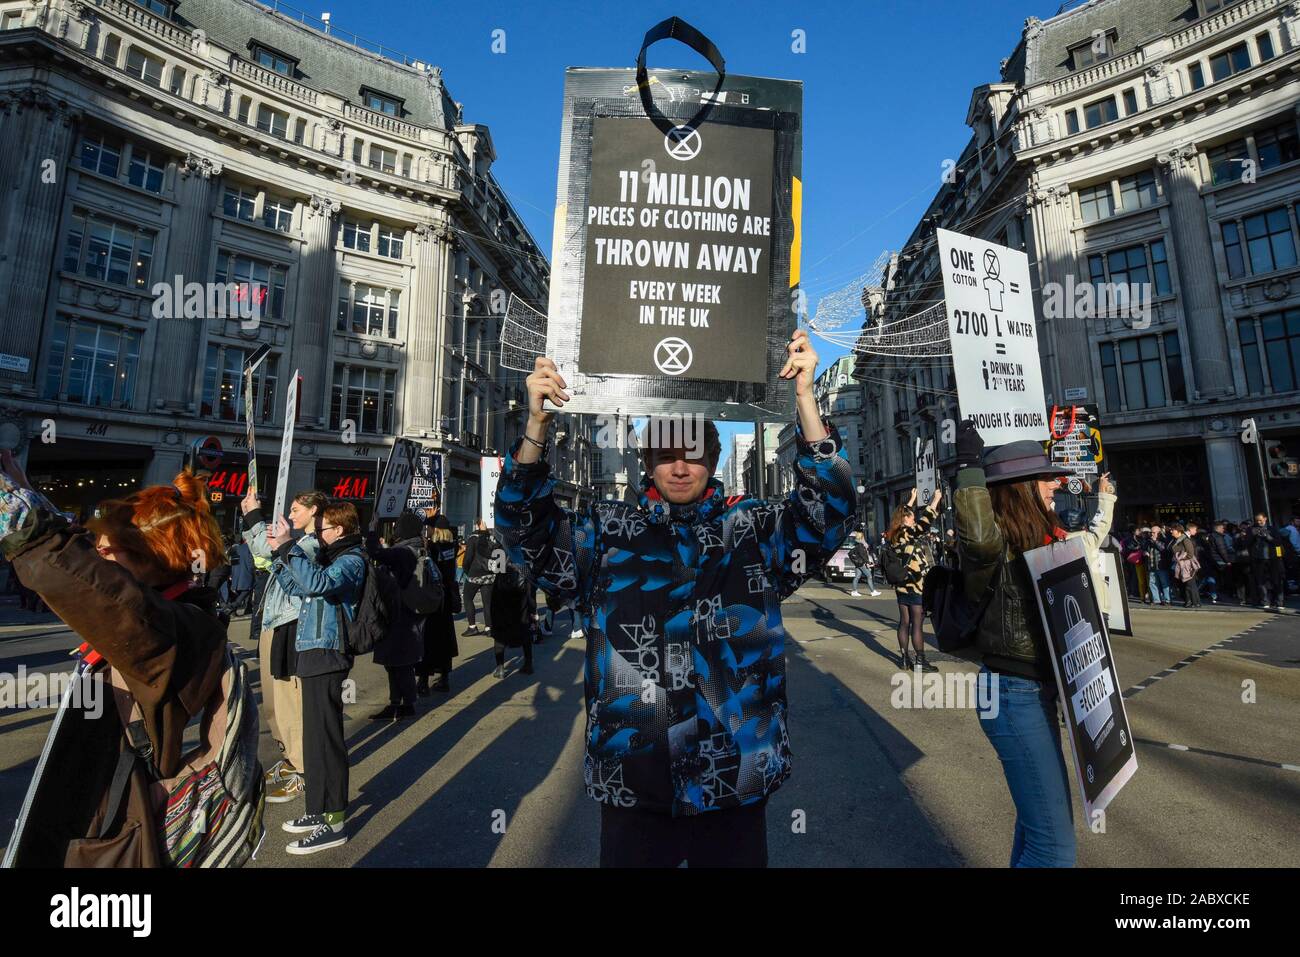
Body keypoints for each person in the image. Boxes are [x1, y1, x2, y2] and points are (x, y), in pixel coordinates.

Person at [495, 329, 854, 867]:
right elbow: (523, 533)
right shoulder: (606, 532)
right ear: (647, 462)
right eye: (666, 455)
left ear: (711, 458)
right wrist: (537, 427)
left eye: (693, 454)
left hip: (733, 779)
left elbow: (829, 511)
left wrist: (804, 398)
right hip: (634, 781)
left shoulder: (753, 529)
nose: (680, 468)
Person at [0, 454, 259, 867]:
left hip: (110, 822)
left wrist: (12, 506)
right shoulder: (172, 607)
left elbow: (84, 579)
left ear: (157, 555)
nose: (98, 548)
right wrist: (23, 489)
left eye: (110, 545)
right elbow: (86, 560)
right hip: (106, 809)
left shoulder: (165, 627)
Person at [952, 421, 1076, 868]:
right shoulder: (995, 541)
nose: (1056, 483)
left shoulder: (1039, 537)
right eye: (1046, 477)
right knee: (1054, 852)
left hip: (1036, 691)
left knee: (1038, 829)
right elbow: (978, 540)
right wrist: (968, 466)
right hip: (1011, 693)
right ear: (1021, 486)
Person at [267, 499, 365, 854]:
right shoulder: (329, 558)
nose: (316, 533)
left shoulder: (351, 560)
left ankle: (335, 821)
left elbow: (320, 585)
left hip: (329, 651)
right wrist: (280, 557)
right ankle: (318, 810)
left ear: (338, 530)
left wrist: (291, 548)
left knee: (327, 739)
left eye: (320, 528)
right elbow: (298, 588)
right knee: (313, 739)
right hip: (311, 650)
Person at [242, 487, 326, 803]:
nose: (290, 515)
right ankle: (290, 757)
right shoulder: (297, 542)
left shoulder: (313, 544)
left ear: (314, 510)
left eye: (295, 509)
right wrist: (254, 522)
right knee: (274, 701)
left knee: (291, 701)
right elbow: (263, 557)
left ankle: (304, 768)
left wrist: (254, 516)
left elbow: (275, 555)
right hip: (273, 623)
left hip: (292, 627)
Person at [365, 510, 435, 719]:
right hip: (411, 611)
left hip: (398, 614)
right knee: (401, 661)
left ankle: (401, 703)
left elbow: (374, 552)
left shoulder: (402, 552)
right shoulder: (418, 548)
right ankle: (402, 702)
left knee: (397, 662)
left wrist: (372, 529)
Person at [884, 487, 942, 673]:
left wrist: (911, 500)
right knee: (917, 623)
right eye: (910, 517)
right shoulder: (908, 533)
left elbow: (903, 515)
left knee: (904, 622)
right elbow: (925, 522)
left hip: (901, 585)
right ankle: (920, 661)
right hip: (916, 584)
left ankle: (903, 659)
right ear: (904, 520)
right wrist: (935, 500)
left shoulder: (893, 535)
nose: (913, 519)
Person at [1063, 473, 1116, 618]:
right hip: (1096, 604)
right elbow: (1102, 520)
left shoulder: (1054, 544)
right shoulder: (1088, 540)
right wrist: (1103, 492)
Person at [419, 514, 460, 694]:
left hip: (433, 598)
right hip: (447, 598)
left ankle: (423, 680)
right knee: (445, 638)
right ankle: (444, 678)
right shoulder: (452, 545)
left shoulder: (432, 549)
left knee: (427, 639)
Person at [488, 560, 535, 677]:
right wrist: (533, 612)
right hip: (521, 610)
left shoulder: (501, 569)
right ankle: (528, 664)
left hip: (502, 609)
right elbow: (530, 596)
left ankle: (500, 668)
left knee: (499, 638)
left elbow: (494, 595)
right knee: (525, 635)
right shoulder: (524, 569)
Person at [462, 519, 498, 636]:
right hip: (489, 573)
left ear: (477, 525)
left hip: (475, 573)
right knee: (487, 602)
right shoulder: (492, 537)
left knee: (467, 598)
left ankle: (472, 626)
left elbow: (468, 558)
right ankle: (489, 628)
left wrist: (467, 570)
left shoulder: (473, 538)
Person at [1247, 514, 1285, 610]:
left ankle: (1279, 602)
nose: (1259, 522)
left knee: (1276, 580)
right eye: (1257, 520)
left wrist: (1268, 537)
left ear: (1265, 519)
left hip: (1272, 559)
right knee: (1261, 581)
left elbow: (1278, 542)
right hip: (1258, 559)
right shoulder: (1251, 529)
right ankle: (1265, 601)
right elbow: (1246, 544)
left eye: (1260, 520)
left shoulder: (1272, 529)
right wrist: (1253, 536)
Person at [1169, 525, 1201, 608]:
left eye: (1173, 530)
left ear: (1179, 531)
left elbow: (1190, 554)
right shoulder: (1177, 540)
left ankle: (1194, 602)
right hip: (1182, 565)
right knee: (1186, 584)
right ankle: (1190, 601)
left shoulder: (1185, 540)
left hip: (1187, 566)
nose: (1171, 531)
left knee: (1190, 584)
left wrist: (1180, 558)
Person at [225, 537, 256, 615]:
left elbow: (232, 563)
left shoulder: (236, 548)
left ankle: (236, 610)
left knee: (238, 592)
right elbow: (250, 562)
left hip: (236, 573)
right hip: (246, 573)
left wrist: (232, 574)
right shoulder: (249, 548)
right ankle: (232, 606)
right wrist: (253, 571)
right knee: (246, 590)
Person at [1144, 525, 1173, 605]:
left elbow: (1163, 549)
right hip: (1151, 564)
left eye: (1153, 532)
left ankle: (1167, 600)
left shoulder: (1163, 540)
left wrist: (1155, 541)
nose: (1151, 534)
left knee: (1164, 583)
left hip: (1161, 565)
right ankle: (1156, 600)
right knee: (1152, 583)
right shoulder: (1148, 540)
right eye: (1151, 532)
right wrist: (1145, 552)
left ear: (1158, 532)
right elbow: (1144, 548)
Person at [847, 528, 880, 597]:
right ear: (861, 537)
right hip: (861, 563)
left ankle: (854, 591)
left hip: (858, 563)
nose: (864, 538)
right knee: (869, 576)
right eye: (863, 537)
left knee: (857, 577)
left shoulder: (857, 544)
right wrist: (869, 562)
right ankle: (873, 591)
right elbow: (863, 555)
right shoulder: (860, 546)